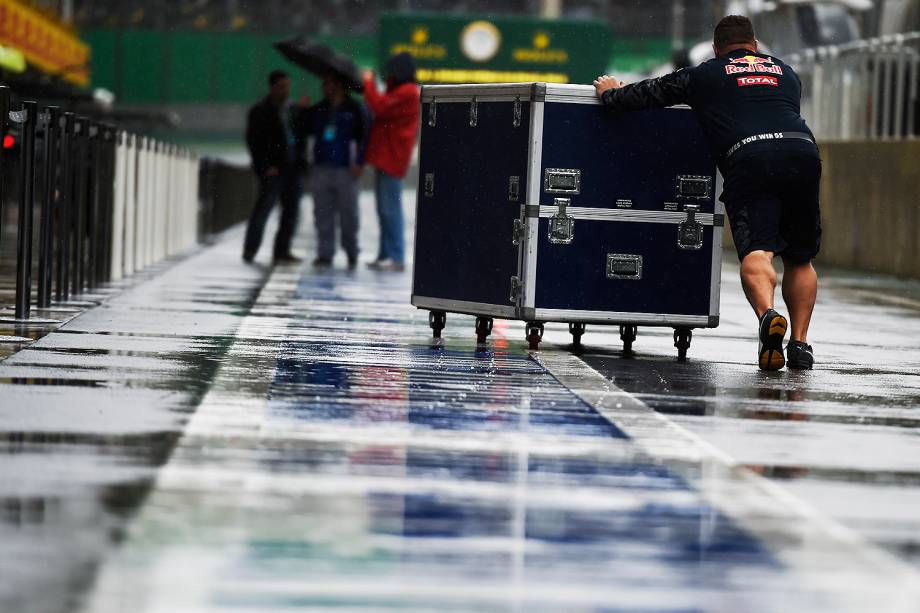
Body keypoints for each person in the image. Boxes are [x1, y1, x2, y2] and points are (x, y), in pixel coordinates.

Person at [594, 15, 820, 370]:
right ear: (755, 45)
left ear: (717, 48)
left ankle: (767, 315)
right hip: (803, 154)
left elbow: (650, 93)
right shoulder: (786, 72)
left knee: (758, 252)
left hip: (750, 158)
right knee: (800, 258)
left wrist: (611, 93)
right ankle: (802, 344)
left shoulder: (706, 73)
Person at [362, 52, 421, 272]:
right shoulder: (400, 89)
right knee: (383, 209)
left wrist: (369, 82)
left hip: (392, 156)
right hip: (385, 155)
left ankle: (395, 256)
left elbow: (380, 107)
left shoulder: (407, 92)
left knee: (390, 209)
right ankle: (385, 254)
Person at [301, 74, 367, 269]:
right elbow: (303, 130)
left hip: (346, 169)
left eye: (328, 82)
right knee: (322, 214)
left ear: (339, 85)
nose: (324, 87)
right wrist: (303, 111)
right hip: (321, 166)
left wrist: (360, 162)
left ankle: (351, 250)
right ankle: (325, 253)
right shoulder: (318, 108)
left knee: (349, 215)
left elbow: (364, 137)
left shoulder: (354, 108)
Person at [243, 70, 306, 264]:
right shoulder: (260, 111)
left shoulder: (294, 110)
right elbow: (254, 142)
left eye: (287, 87)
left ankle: (282, 250)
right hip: (273, 169)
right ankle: (250, 249)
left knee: (291, 211)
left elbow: (303, 135)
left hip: (293, 167)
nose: (285, 91)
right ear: (272, 88)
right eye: (281, 87)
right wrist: (264, 166)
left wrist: (304, 112)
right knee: (263, 209)